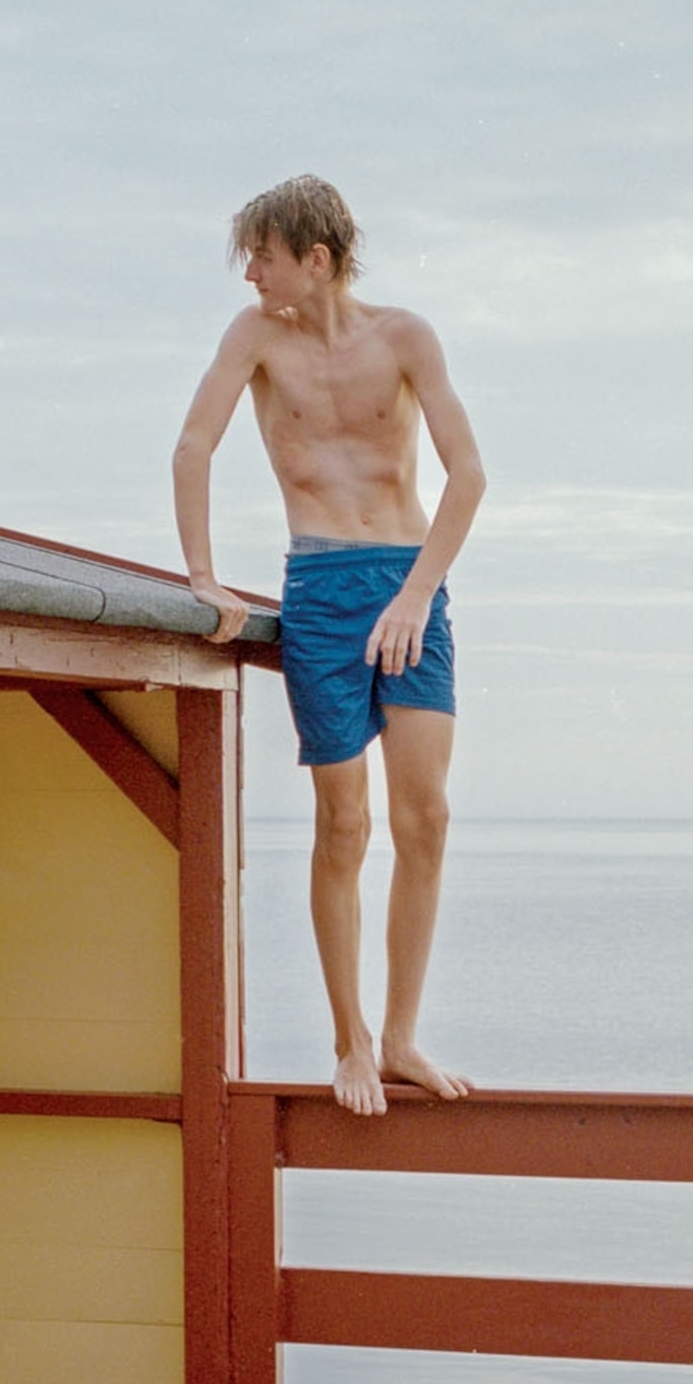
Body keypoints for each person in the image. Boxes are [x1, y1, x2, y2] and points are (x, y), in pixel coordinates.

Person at [173, 177, 486, 1117]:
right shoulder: (255, 336)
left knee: (424, 816)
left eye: (263, 254)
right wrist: (202, 576)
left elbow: (468, 475)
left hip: (409, 581)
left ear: (317, 258)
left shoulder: (405, 337)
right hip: (318, 586)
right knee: (343, 822)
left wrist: (417, 595)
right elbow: (195, 446)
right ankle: (349, 1040)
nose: (250, 272)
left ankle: (400, 1038)